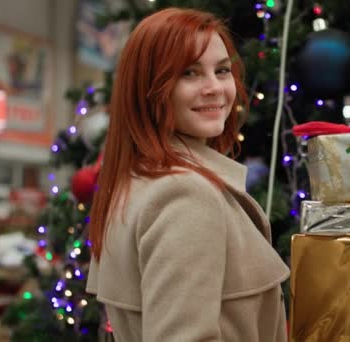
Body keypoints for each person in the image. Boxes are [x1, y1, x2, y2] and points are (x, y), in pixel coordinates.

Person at [86, 8, 290, 342]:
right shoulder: (185, 197)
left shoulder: (137, 179)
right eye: (189, 74)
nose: (214, 88)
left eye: (221, 70)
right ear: (150, 88)